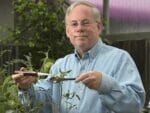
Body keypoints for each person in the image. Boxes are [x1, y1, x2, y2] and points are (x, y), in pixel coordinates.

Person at [12, 1, 145, 113]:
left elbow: (135, 105)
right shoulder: (60, 66)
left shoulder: (119, 59)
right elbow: (43, 105)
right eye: (74, 24)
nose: (79, 29)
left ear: (98, 27)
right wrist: (26, 88)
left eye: (85, 23)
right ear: (68, 31)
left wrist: (105, 84)